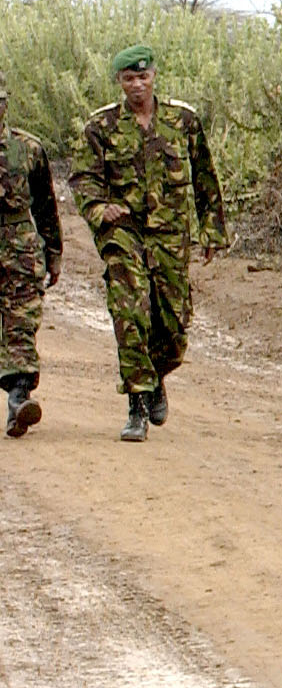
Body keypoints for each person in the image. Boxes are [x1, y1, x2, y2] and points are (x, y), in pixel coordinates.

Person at [69, 43, 223, 441]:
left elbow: (205, 175)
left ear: (154, 75)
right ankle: (136, 403)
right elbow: (83, 178)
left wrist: (213, 229)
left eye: (143, 76)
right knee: (130, 310)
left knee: (174, 325)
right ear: (119, 82)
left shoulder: (182, 120)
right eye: (128, 79)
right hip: (125, 233)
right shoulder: (100, 127)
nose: (137, 85)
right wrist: (100, 208)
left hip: (172, 233)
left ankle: (155, 375)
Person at [0, 74, 59, 437]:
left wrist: (54, 253)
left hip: (19, 251)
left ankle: (19, 402)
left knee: (21, 324)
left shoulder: (29, 149)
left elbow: (47, 207)